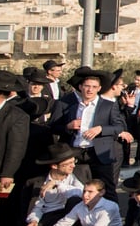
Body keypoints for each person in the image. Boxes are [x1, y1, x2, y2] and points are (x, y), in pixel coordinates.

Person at [49, 69, 126, 201]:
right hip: (76, 152)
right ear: (80, 87)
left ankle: (112, 220)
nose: (90, 90)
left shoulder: (108, 105)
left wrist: (101, 129)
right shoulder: (69, 105)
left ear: (99, 88)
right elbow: (53, 126)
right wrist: (68, 126)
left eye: (94, 87)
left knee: (106, 189)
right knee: (77, 189)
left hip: (99, 153)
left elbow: (119, 127)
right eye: (87, 86)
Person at [16, 142, 83, 226]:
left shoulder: (78, 174)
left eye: (74, 161)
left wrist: (57, 184)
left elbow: (83, 193)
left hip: (70, 216)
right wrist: (33, 221)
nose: (73, 165)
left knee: (75, 199)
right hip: (48, 216)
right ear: (54, 166)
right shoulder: (37, 182)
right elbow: (37, 206)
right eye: (68, 163)